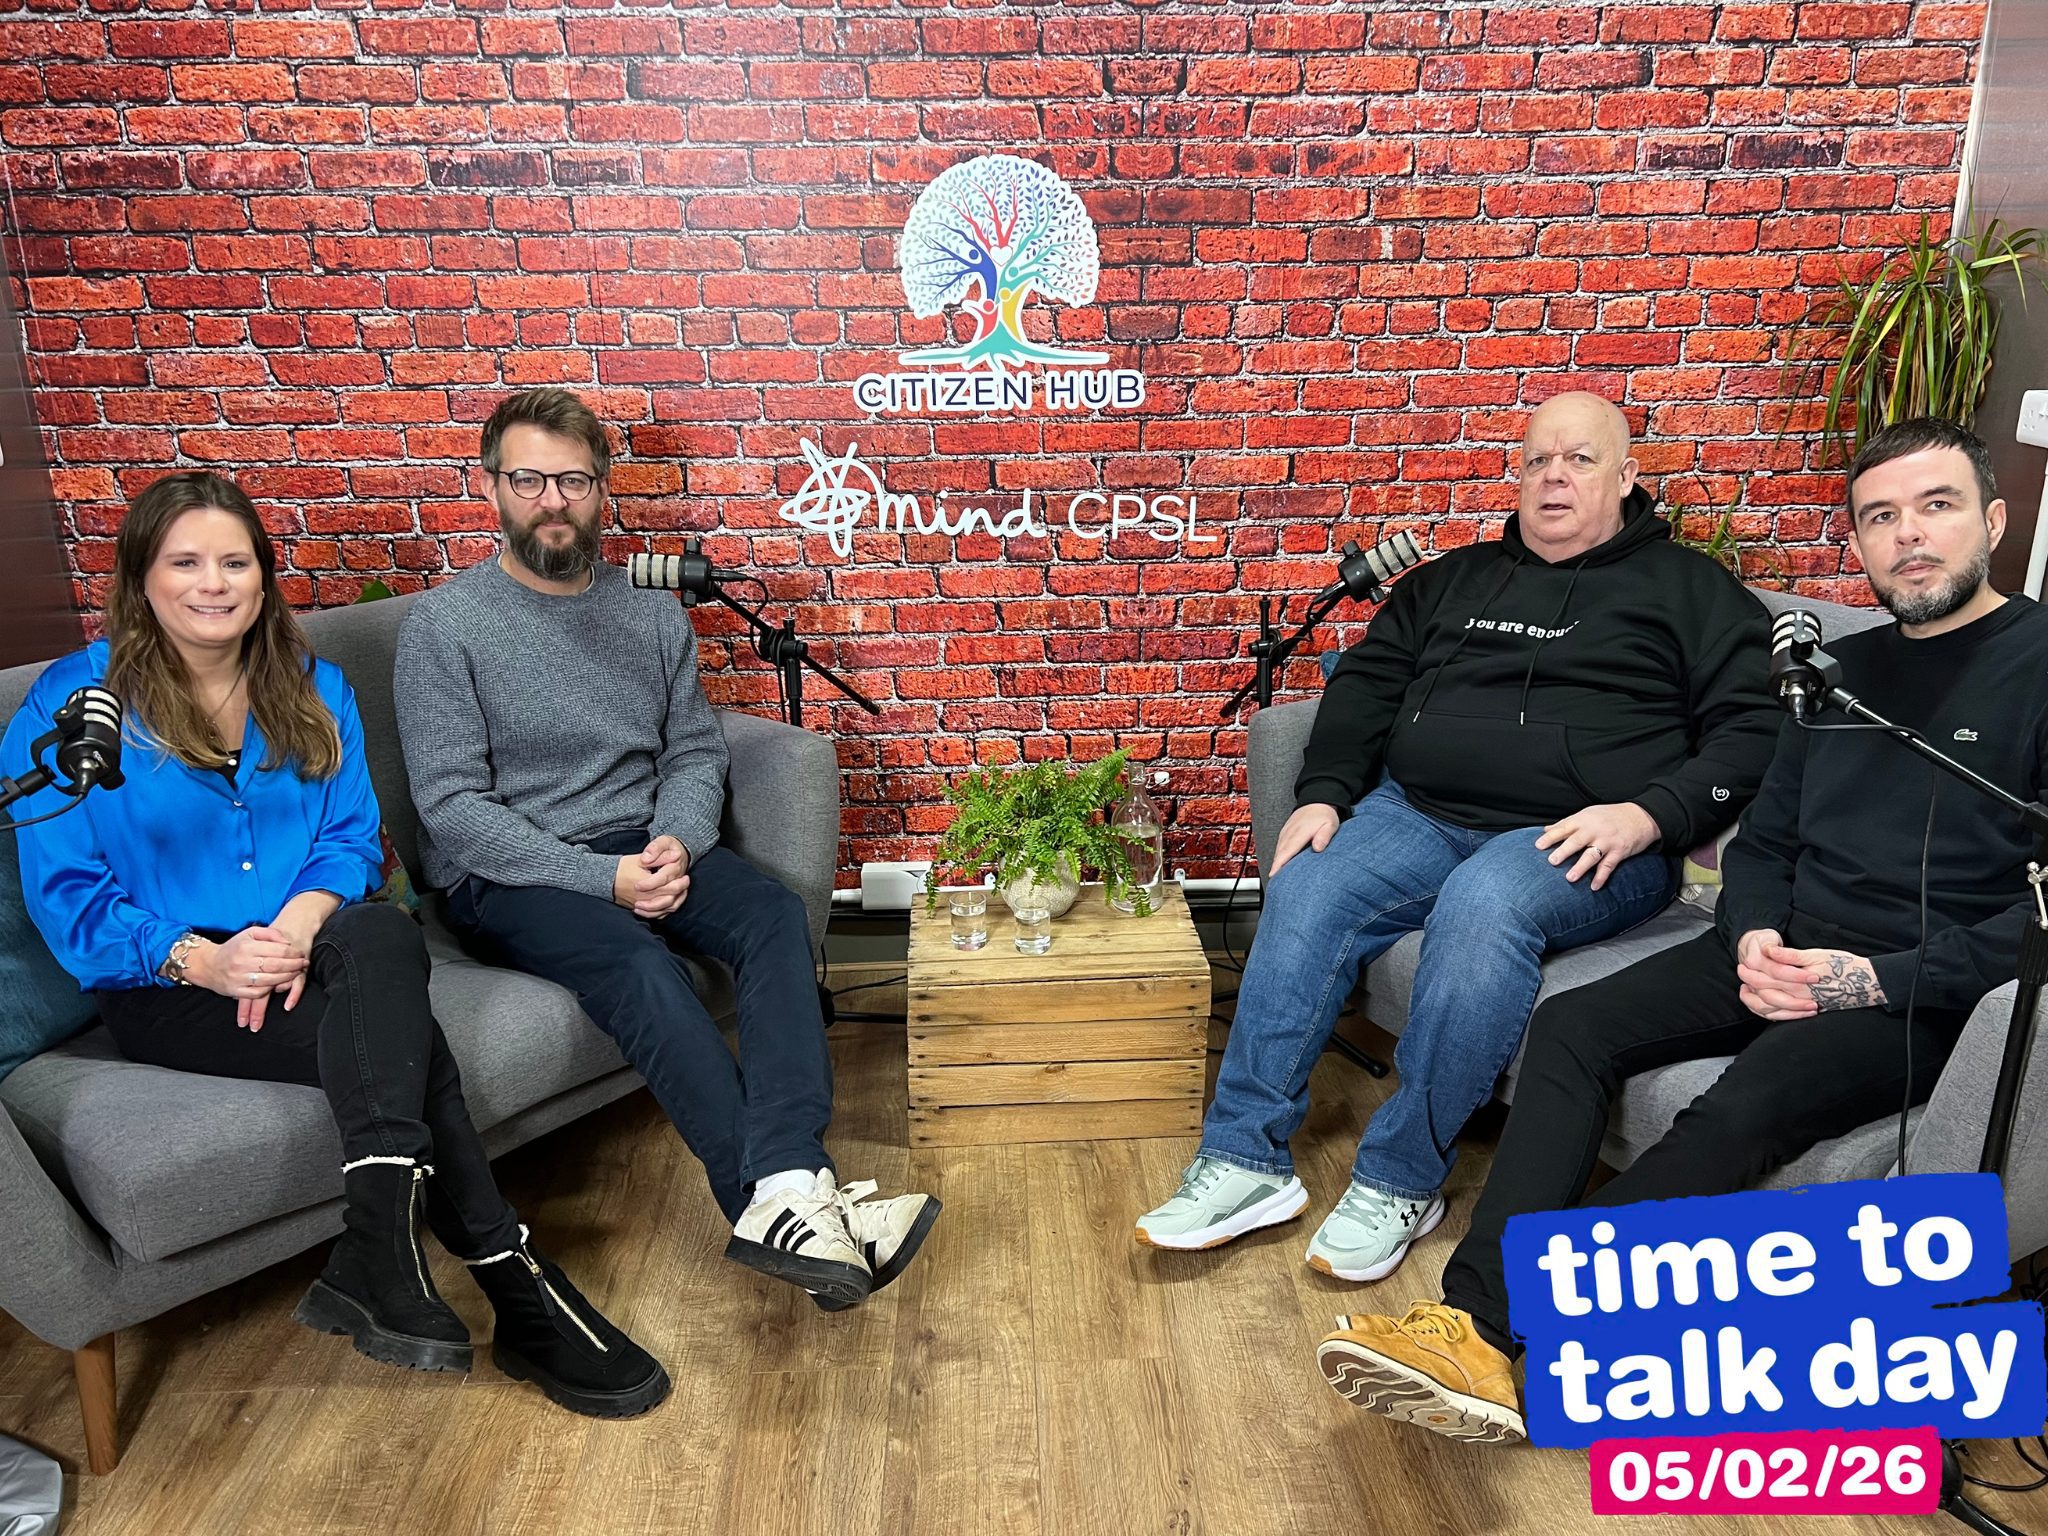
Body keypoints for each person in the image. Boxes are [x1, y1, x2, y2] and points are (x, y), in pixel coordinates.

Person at [1321, 416, 2048, 1443]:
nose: (1908, 538)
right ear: (1856, 540)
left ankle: (1502, 1327)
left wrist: (1860, 981)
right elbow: (1767, 839)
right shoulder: (1835, 670)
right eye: (1879, 517)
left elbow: (2037, 920)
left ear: (1993, 519)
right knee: (1568, 1029)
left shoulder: (2035, 666)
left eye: (1935, 508)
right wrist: (1750, 933)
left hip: (1909, 992)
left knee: (1736, 1109)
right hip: (1768, 946)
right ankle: (1467, 1322)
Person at [2, 471, 669, 1419]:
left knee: (373, 929)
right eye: (185, 562)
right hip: (170, 984)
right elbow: (70, 897)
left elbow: (350, 841)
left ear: (263, 576)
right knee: (409, 1051)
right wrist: (207, 958)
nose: (213, 582)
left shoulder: (312, 687)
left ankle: (383, 1251)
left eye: (235, 561)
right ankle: (509, 1279)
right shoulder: (76, 709)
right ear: (140, 578)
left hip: (315, 946)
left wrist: (294, 925)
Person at [1136, 392, 1780, 1282]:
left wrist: (1650, 816)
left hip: (1589, 839)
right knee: (1310, 880)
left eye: (1580, 459)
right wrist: (1323, 795)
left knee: (1486, 903)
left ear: (1628, 476)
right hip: (1420, 814)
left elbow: (1752, 730)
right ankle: (1245, 1160)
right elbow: (1363, 688)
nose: (1553, 475)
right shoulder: (1451, 579)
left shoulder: (1695, 591)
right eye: (1537, 460)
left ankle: (1401, 1178)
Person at [394, 387, 937, 1311]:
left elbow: (692, 747)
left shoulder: (646, 609)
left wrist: (677, 842)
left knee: (769, 915)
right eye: (528, 479)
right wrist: (602, 879)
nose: (552, 501)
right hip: (517, 872)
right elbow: (452, 810)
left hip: (647, 844)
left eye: (573, 480)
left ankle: (789, 1185)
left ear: (604, 490)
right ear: (490, 488)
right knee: (643, 970)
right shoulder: (445, 628)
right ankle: (778, 1202)